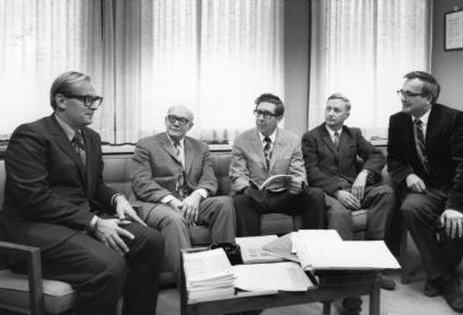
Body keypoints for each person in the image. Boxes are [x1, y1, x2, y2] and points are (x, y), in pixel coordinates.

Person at [0, 71, 164, 315]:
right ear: (61, 101)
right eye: (87, 99)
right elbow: (34, 198)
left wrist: (116, 198)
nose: (94, 106)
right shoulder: (31, 135)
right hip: (37, 229)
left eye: (95, 99)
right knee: (109, 265)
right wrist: (94, 222)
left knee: (151, 241)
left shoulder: (91, 138)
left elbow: (95, 187)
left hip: (78, 224)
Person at [387, 71, 463, 312]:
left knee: (458, 226)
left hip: (456, 187)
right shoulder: (397, 121)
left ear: (428, 98)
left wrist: (456, 207)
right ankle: (445, 278)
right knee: (410, 209)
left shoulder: (453, 119)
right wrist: (407, 174)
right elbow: (395, 160)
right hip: (427, 189)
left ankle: (437, 276)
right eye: (402, 92)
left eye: (409, 94)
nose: (403, 97)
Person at [302, 93, 396, 290]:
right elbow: (311, 171)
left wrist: (364, 174)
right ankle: (341, 279)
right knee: (341, 214)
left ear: (347, 115)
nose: (331, 113)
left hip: (355, 188)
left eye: (337, 110)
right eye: (328, 108)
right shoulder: (311, 137)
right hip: (327, 192)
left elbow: (376, 155)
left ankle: (373, 267)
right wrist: (336, 191)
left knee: (385, 192)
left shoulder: (353, 134)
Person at [131, 105, 236, 281]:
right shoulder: (146, 145)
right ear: (166, 120)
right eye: (172, 118)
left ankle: (226, 272)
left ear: (190, 126)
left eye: (182, 120)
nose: (176, 123)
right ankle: (191, 287)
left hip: (191, 203)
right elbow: (142, 182)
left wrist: (196, 197)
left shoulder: (200, 147)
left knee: (225, 203)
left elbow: (209, 179)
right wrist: (172, 201)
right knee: (175, 219)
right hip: (156, 203)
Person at [230, 93, 326, 236]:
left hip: (283, 195)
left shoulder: (292, 140)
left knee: (315, 195)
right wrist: (247, 189)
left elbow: (298, 171)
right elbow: (238, 174)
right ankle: (250, 252)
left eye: (267, 114)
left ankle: (313, 248)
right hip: (255, 196)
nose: (261, 118)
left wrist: (299, 183)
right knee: (240, 201)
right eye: (258, 112)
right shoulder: (241, 140)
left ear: (279, 118)